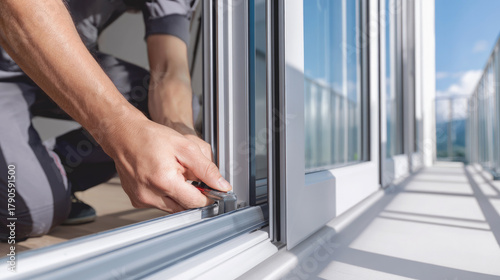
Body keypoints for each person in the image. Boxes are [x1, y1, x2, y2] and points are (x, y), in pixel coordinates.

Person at [0, 0, 231, 241]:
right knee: (25, 213)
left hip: (60, 58)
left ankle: (54, 177)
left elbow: (168, 68)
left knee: (172, 117)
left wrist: (183, 139)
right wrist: (121, 126)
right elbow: (19, 9)